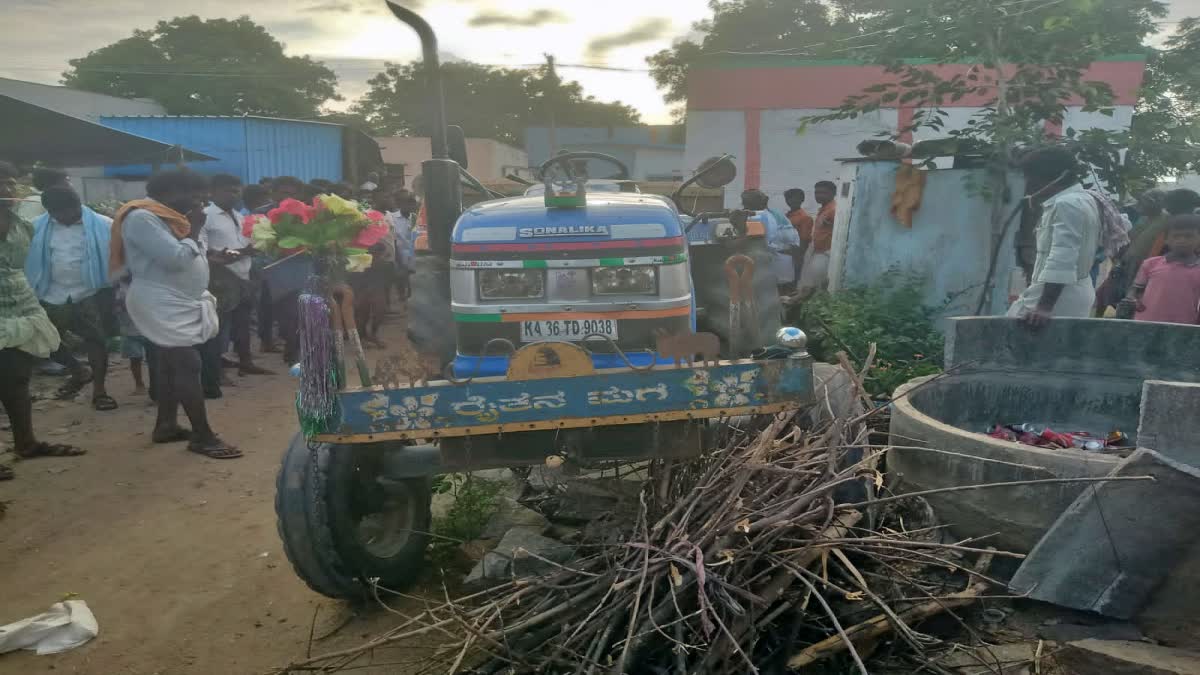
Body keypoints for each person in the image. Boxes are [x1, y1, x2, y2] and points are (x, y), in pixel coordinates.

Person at [111, 169, 240, 459]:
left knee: (170, 365)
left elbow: (193, 254)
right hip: (159, 301)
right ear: (168, 192)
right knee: (187, 364)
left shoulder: (173, 219)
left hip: (180, 300)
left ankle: (166, 426)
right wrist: (194, 230)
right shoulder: (142, 217)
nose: (199, 202)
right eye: (193, 195)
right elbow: (176, 258)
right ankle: (203, 436)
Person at [0, 161, 85, 479]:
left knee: (18, 378)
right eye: (0, 184)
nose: (6, 191)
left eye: (10, 183)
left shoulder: (23, 224)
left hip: (20, 304)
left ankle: (26, 442)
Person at [26, 186, 118, 411]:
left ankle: (100, 391)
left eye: (72, 210)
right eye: (60, 213)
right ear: (50, 212)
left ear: (79, 205)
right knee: (43, 341)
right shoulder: (35, 227)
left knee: (96, 341)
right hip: (50, 292)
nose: (68, 216)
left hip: (90, 292)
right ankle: (78, 369)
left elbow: (118, 256)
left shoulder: (104, 224)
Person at [1007, 147, 1102, 329]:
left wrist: (1044, 307)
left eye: (1031, 176)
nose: (1027, 183)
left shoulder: (1066, 205)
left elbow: (1063, 257)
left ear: (1056, 177)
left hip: (1056, 299)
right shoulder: (1082, 199)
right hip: (1066, 292)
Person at [198, 174, 271, 395]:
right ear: (213, 192)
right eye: (228, 190)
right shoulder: (205, 217)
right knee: (221, 325)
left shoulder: (239, 216)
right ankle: (218, 370)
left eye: (236, 190)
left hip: (243, 273)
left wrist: (252, 249)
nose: (233, 194)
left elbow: (247, 243)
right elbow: (204, 251)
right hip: (220, 276)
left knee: (243, 322)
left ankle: (245, 361)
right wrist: (241, 253)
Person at [1120, 215, 1200, 324]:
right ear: (1167, 239)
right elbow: (1135, 290)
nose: (1182, 240)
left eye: (1188, 236)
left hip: (1183, 327)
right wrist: (1132, 300)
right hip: (1146, 323)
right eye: (1176, 236)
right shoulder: (1151, 264)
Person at [741, 189, 801, 294]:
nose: (744, 205)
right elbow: (794, 244)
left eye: (746, 202)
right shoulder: (776, 214)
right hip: (781, 265)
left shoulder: (757, 217)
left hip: (770, 266)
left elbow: (752, 243)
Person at [784, 189, 814, 281]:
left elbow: (804, 242)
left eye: (795, 198)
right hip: (785, 255)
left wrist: (797, 258)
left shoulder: (805, 218)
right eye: (789, 198)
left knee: (792, 282)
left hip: (795, 257)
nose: (791, 201)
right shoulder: (786, 216)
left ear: (802, 199)